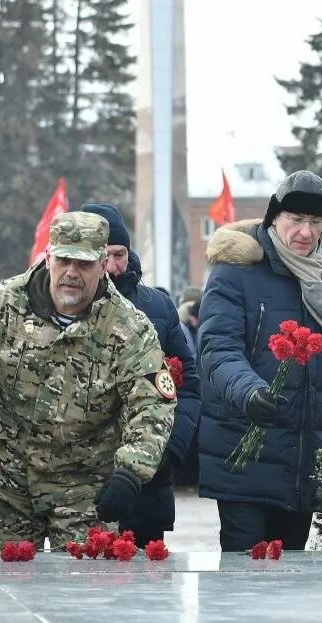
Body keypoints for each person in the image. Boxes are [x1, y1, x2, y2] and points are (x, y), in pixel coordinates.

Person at [0, 212, 177, 550]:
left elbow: (151, 405)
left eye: (83, 264)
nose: (71, 273)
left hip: (85, 488)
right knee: (8, 589)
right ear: (49, 257)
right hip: (11, 482)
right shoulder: (6, 304)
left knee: (82, 596)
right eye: (64, 260)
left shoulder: (129, 327)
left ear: (102, 266)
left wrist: (131, 470)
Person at [199, 170, 322, 551]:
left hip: (303, 456)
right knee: (244, 571)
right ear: (274, 218)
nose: (305, 232)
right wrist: (250, 392)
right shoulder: (236, 270)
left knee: (290, 579)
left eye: (315, 222)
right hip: (244, 449)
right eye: (296, 220)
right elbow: (218, 348)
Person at [82, 202, 201, 544]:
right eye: (102, 255)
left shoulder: (157, 307)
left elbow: (188, 385)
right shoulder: (62, 307)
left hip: (147, 482)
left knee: (150, 588)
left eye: (119, 254)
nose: (111, 266)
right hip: (78, 487)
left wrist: (169, 450)